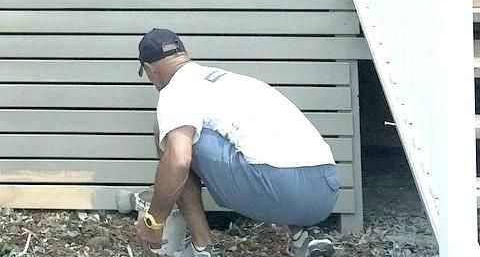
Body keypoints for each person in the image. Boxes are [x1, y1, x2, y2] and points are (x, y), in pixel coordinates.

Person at [133, 28, 339, 257]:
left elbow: (180, 161)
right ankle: (304, 236)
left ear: (151, 70)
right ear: (185, 54)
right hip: (326, 188)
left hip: (277, 187)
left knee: (174, 142)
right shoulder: (231, 81)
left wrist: (153, 222)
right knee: (257, 140)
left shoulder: (175, 90)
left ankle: (203, 248)